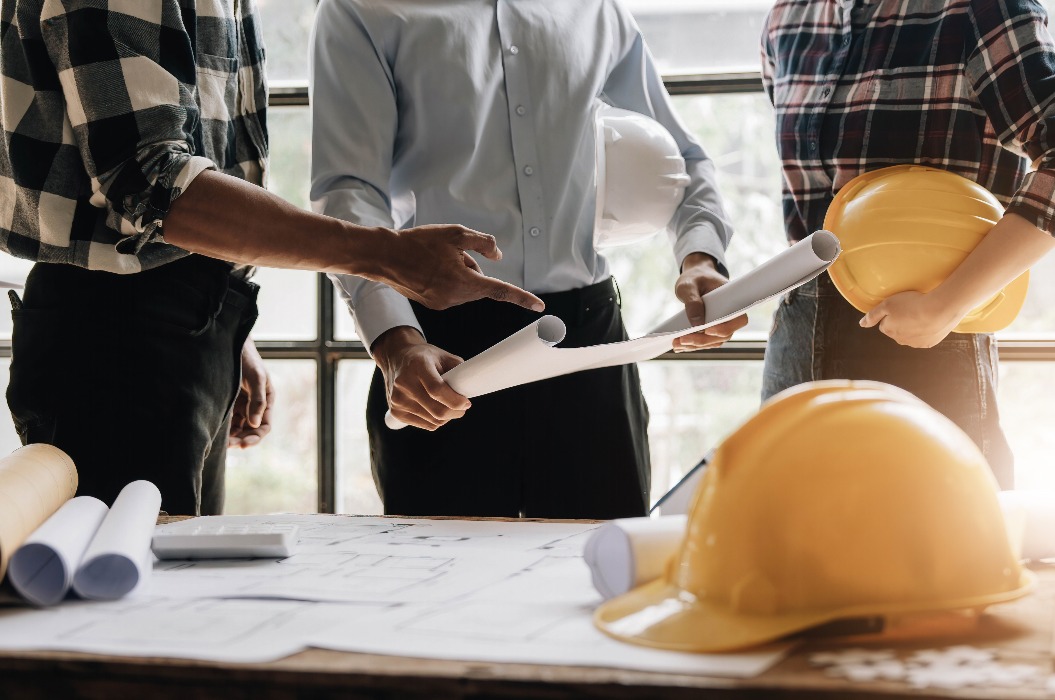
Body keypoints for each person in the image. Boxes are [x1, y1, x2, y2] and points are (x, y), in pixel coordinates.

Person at [0, 0, 542, 516]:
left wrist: (222, 319)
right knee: (118, 595)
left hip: (170, 319)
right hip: (112, 343)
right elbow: (153, 181)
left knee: (172, 595)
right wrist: (388, 256)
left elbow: (177, 174)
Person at [310, 0, 747, 519]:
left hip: (588, 344)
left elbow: (686, 159)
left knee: (598, 578)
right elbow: (349, 192)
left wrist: (700, 257)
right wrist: (395, 341)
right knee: (441, 586)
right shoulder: (360, 9)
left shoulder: (595, 10)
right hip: (438, 348)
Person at [760, 0, 1055, 489]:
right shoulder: (788, 18)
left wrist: (947, 304)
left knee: (941, 554)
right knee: (787, 549)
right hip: (796, 338)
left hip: (929, 340)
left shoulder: (982, 7)